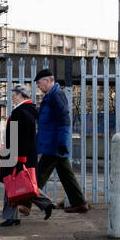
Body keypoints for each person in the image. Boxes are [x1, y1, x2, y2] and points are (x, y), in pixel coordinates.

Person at [33, 68, 90, 213]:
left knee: (39, 176)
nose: (38, 86)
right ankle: (80, 203)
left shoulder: (56, 96)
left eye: (39, 83)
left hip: (54, 145)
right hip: (54, 144)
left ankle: (24, 204)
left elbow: (64, 121)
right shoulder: (50, 97)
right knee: (66, 175)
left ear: (47, 80)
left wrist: (62, 144)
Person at [0, 84, 55, 226]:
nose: (12, 97)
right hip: (18, 153)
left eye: (14, 94)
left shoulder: (22, 112)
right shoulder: (26, 110)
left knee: (18, 183)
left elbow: (22, 138)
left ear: (21, 95)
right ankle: (13, 216)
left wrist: (19, 158)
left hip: (18, 154)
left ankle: (43, 204)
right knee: (14, 183)